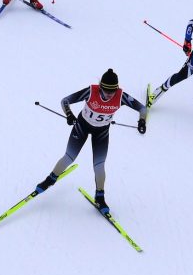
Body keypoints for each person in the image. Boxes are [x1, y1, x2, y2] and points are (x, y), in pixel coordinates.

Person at [33, 69, 146, 215]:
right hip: (82, 127)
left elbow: (142, 108)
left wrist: (142, 121)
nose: (108, 95)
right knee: (69, 157)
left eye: (112, 92)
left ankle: (100, 197)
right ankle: (49, 180)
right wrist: (69, 115)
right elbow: (65, 101)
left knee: (99, 165)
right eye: (105, 91)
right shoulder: (91, 91)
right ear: (100, 87)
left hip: (102, 132)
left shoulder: (121, 96)